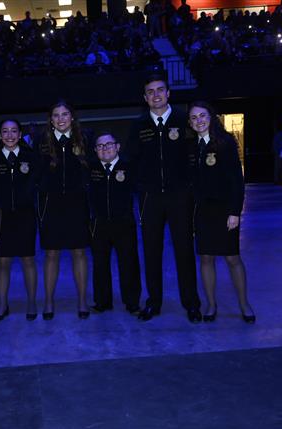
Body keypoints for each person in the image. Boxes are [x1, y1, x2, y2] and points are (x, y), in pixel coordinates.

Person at [126, 71, 201, 323]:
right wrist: (139, 187)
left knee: (184, 250)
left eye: (160, 90)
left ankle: (191, 303)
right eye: (150, 91)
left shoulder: (183, 120)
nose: (155, 95)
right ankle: (153, 302)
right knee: (151, 250)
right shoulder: (138, 125)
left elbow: (195, 155)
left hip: (180, 195)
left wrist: (191, 187)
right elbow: (130, 159)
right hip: (150, 198)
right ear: (145, 97)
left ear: (168, 93)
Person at [188, 101, 255, 324]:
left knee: (232, 257)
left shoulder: (225, 143)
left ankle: (244, 304)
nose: (198, 120)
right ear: (190, 122)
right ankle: (211, 304)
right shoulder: (191, 147)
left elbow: (236, 180)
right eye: (194, 117)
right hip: (202, 211)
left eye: (202, 116)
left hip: (225, 210)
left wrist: (235, 211)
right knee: (206, 258)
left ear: (211, 117)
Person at [36, 101, 91, 320]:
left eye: (65, 114)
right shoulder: (41, 141)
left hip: (78, 203)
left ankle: (82, 300)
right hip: (52, 204)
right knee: (52, 254)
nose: (61, 119)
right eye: (56, 115)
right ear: (51, 119)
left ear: (72, 117)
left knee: (79, 252)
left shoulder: (84, 138)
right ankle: (49, 301)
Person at [0, 119, 40, 321]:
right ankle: (2, 304)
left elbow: (38, 182)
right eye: (5, 131)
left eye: (13, 131)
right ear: (0, 135)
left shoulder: (31, 157)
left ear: (20, 135)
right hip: (2, 216)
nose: (9, 135)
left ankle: (32, 302)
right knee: (3, 262)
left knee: (28, 260)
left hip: (25, 214)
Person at [87, 132, 141, 314]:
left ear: (117, 147)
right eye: (100, 146)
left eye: (109, 144)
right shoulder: (91, 169)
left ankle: (132, 302)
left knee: (129, 263)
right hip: (99, 224)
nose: (105, 149)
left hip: (124, 224)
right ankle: (102, 301)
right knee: (100, 264)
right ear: (95, 150)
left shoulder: (129, 167)